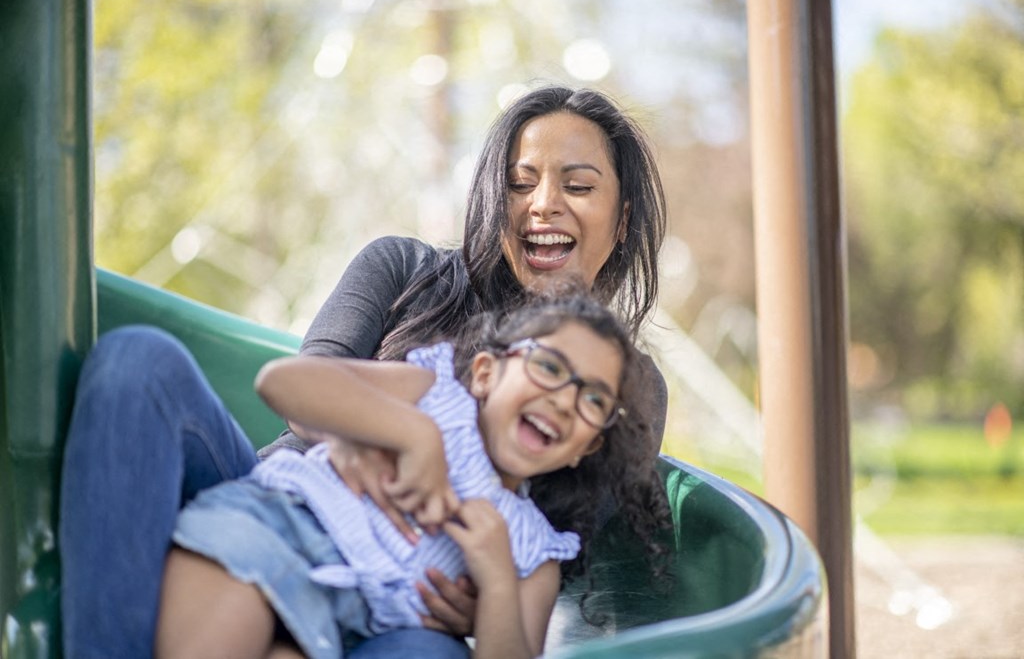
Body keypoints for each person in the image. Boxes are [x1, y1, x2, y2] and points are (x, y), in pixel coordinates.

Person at [59, 84, 668, 659]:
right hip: (291, 509)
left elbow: (561, 554)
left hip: (406, 608)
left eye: (578, 186)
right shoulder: (407, 274)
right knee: (138, 362)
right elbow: (302, 390)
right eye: (519, 182)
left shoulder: (627, 393)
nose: (543, 204)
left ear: (622, 220)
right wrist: (399, 433)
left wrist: (487, 601)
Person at [154, 293, 670, 659]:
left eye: (594, 399)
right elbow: (283, 382)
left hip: (345, 625)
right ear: (487, 373)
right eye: (550, 368)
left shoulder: (534, 556)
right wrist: (413, 433)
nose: (564, 399)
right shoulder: (434, 395)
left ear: (591, 444)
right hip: (274, 532)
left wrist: (494, 586)